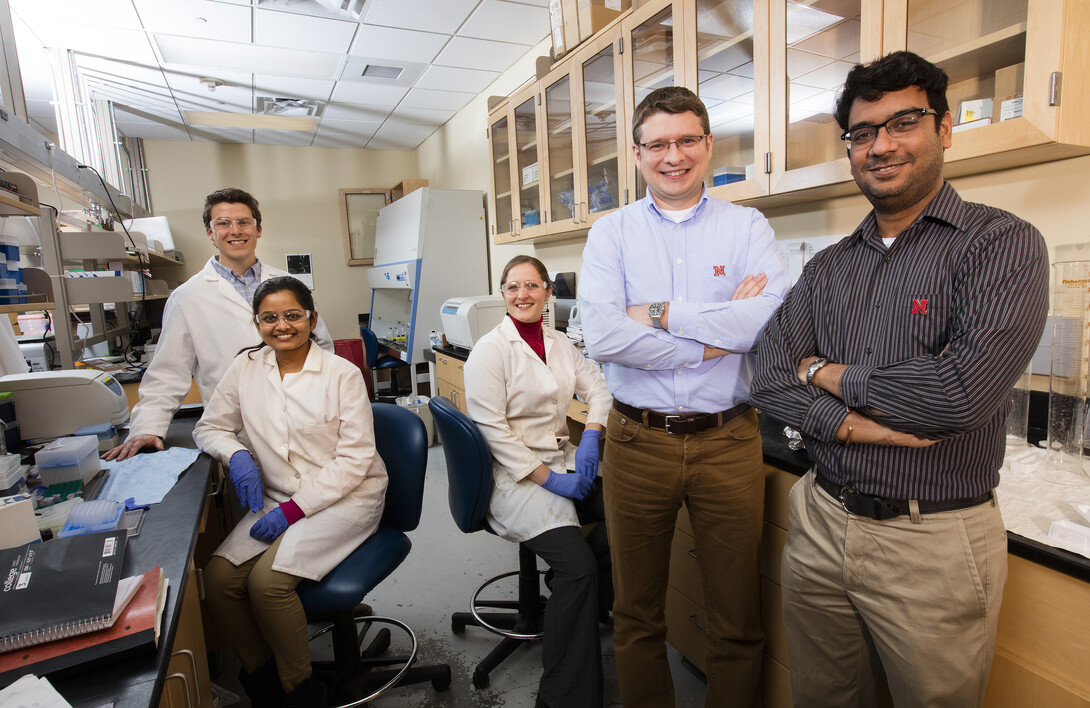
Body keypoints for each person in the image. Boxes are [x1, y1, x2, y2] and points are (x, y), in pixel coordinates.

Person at [749, 51, 1049, 706]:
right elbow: (767, 374)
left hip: (932, 542)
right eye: (862, 133)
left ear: (943, 129)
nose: (880, 145)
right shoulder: (829, 267)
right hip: (822, 520)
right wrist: (851, 423)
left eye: (902, 122)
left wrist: (822, 372)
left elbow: (958, 393)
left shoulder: (999, 245)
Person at [578, 86, 790, 707]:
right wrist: (711, 337)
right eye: (659, 144)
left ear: (707, 145)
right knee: (637, 610)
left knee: (736, 616)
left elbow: (765, 323)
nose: (674, 156)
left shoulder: (747, 225)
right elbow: (604, 335)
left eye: (686, 140)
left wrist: (662, 313)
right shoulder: (610, 233)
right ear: (638, 153)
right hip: (637, 440)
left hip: (729, 441)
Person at [194, 276, 387, 707]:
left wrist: (297, 510)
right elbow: (210, 427)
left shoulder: (342, 374)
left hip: (347, 496)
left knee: (267, 586)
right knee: (218, 580)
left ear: (311, 319)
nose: (282, 325)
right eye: (269, 317)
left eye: (293, 315)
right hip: (279, 497)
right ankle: (263, 678)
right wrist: (237, 454)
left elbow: (355, 461)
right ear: (257, 322)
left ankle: (299, 691)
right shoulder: (245, 367)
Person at [463, 255, 613, 708]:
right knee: (578, 566)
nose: (522, 295)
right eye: (513, 287)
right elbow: (493, 432)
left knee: (623, 526)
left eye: (532, 286)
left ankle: (575, 611)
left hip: (561, 459)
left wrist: (591, 434)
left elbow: (600, 389)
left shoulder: (559, 342)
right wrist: (550, 479)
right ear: (503, 294)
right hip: (516, 478)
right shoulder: (489, 351)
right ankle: (563, 695)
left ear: (548, 292)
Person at [104, 187, 333, 461]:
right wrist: (147, 427)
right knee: (252, 500)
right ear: (210, 233)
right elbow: (167, 374)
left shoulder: (290, 285)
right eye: (223, 223)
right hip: (238, 434)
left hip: (305, 420)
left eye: (244, 222)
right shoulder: (187, 298)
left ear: (258, 229)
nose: (235, 231)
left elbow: (322, 347)